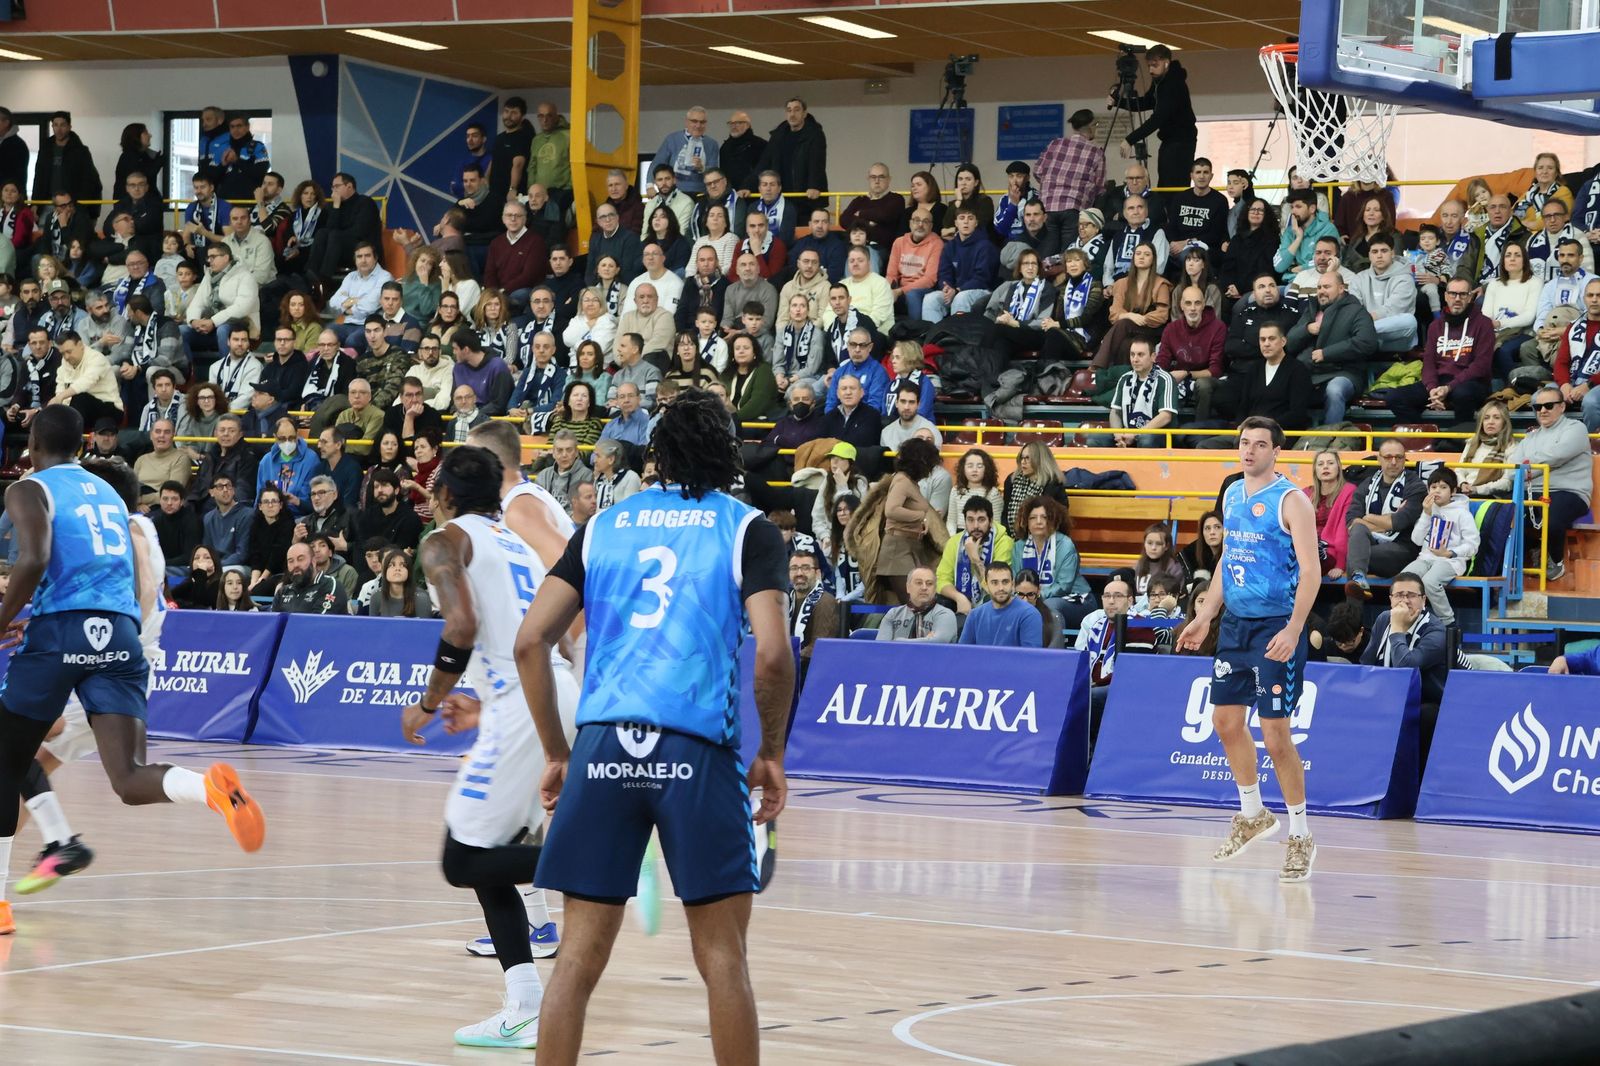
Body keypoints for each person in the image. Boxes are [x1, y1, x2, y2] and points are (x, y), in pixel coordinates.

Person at [511, 387, 793, 1063]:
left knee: (576, 961)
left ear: (657, 454)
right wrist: (773, 752)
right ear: (729, 453)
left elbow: (530, 642)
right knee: (723, 956)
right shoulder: (746, 527)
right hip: (696, 751)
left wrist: (557, 751)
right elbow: (775, 653)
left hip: (605, 746)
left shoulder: (605, 526)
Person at [0, 414, 264, 930]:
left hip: (63, 633)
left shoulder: (30, 487)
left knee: (7, 761)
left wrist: (8, 615)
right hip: (122, 638)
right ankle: (209, 788)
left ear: (31, 444)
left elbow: (32, 560)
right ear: (81, 445)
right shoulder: (105, 494)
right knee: (128, 776)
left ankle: (7, 896)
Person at [1178, 415, 1321, 883]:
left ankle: (1300, 835)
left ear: (1276, 451)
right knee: (1224, 721)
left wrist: (1295, 629)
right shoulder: (1232, 492)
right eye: (1244, 443)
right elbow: (1228, 557)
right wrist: (1205, 615)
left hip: (1276, 626)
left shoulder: (1293, 501)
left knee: (1276, 734)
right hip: (1236, 624)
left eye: (1260, 444)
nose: (1250, 450)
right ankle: (1252, 813)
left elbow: (1311, 572)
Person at [1471, 386, 1592, 581]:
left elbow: (1557, 456)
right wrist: (1537, 465)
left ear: (1561, 407)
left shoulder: (1576, 428)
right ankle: (1513, 558)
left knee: (1552, 519)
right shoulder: (1530, 437)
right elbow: (1511, 469)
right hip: (1530, 492)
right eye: (1538, 407)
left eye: (1548, 405)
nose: (1542, 410)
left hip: (1569, 492)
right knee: (1498, 515)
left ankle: (1556, 562)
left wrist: (1528, 466)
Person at [1343, 438, 1425, 597]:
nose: (1393, 462)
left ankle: (1353, 611)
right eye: (1388, 457)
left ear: (1404, 459)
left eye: (1399, 457)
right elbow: (1352, 520)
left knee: (1356, 556)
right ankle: (1359, 581)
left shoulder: (1415, 485)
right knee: (1358, 532)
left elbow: (1399, 522)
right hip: (1371, 544)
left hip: (1402, 549)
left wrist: (1368, 517)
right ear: (1379, 458)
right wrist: (1385, 522)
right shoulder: (1368, 483)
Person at [1399, 465, 1478, 626]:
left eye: (1443, 487)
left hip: (1450, 562)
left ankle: (1448, 623)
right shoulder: (1428, 510)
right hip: (1425, 559)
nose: (1437, 491)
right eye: (1433, 487)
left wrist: (1450, 553)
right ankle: (1412, 620)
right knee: (1404, 579)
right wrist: (1426, 515)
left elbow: (1473, 544)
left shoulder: (1462, 513)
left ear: (1453, 491)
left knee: (1429, 582)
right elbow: (1417, 540)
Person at [937, 495, 1015, 617]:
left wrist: (975, 559)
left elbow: (997, 585)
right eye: (970, 520)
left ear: (991, 520)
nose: (976, 526)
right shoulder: (954, 542)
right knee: (939, 600)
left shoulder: (1004, 542)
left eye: (981, 519)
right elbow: (942, 579)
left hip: (992, 599)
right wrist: (959, 597)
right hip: (962, 599)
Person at [958, 563, 1042, 648]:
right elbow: (962, 654)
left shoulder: (1029, 614)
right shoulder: (974, 615)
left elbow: (1031, 657)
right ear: (986, 585)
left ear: (1012, 584)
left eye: (1005, 582)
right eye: (994, 583)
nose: (1000, 588)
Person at [876, 565, 958, 643]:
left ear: (935, 589)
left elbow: (938, 643)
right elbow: (881, 647)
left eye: (929, 584)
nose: (924, 587)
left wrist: (898, 641)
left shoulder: (945, 615)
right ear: (908, 587)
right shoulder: (893, 614)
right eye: (919, 583)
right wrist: (927, 640)